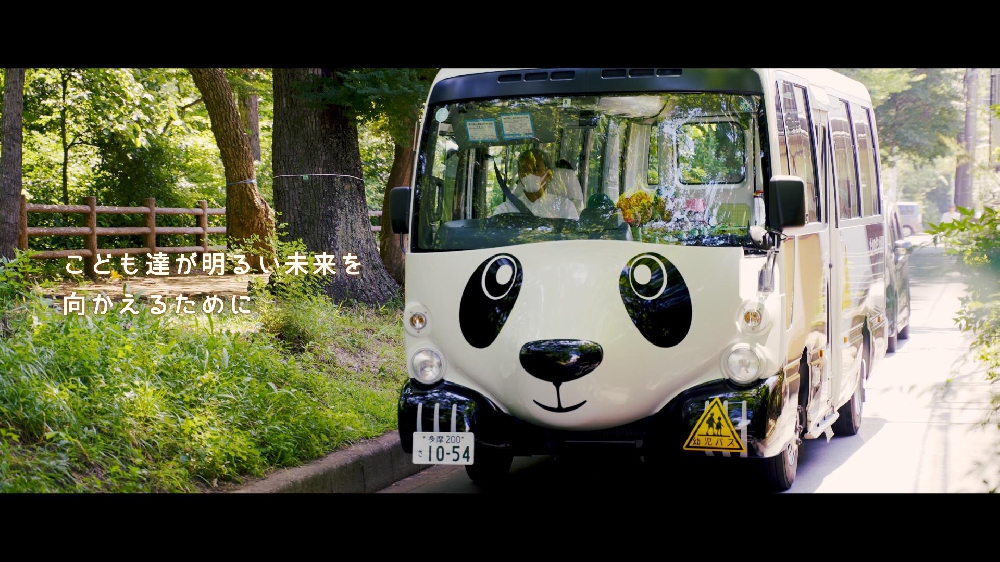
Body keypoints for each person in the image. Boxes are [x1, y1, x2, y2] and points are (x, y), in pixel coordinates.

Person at [491, 147, 580, 220]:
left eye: (536, 169)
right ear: (519, 175)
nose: (530, 174)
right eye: (525, 169)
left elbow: (572, 239)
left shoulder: (564, 208)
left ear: (548, 174)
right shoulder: (504, 211)